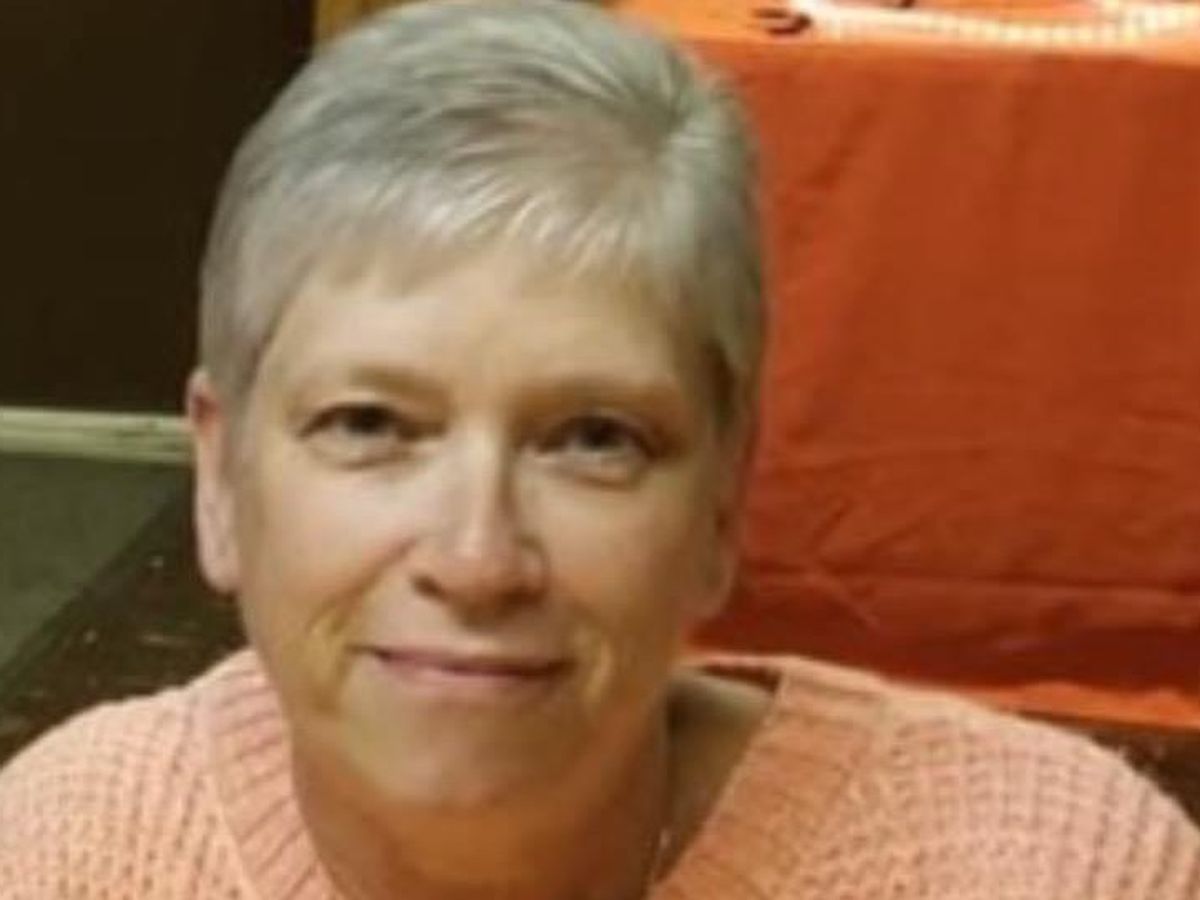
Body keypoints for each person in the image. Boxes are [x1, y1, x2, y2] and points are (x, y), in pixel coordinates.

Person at [2, 1, 1198, 897]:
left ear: (723, 507)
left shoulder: (1051, 869)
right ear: (220, 481)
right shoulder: (70, 853)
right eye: (370, 425)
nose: (477, 560)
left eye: (592, 439)